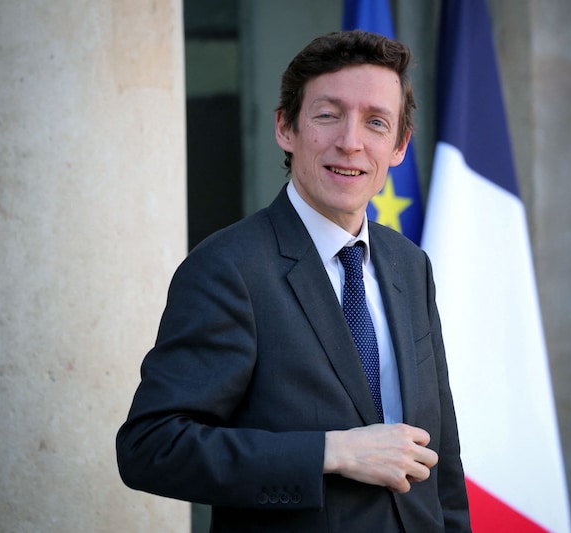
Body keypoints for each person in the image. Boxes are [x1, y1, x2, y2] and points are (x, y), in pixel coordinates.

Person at [116, 30, 470, 532]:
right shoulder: (227, 268)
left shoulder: (409, 265)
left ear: (399, 146)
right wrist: (330, 452)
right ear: (286, 128)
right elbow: (152, 447)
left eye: (376, 122)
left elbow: (443, 461)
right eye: (328, 115)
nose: (351, 142)